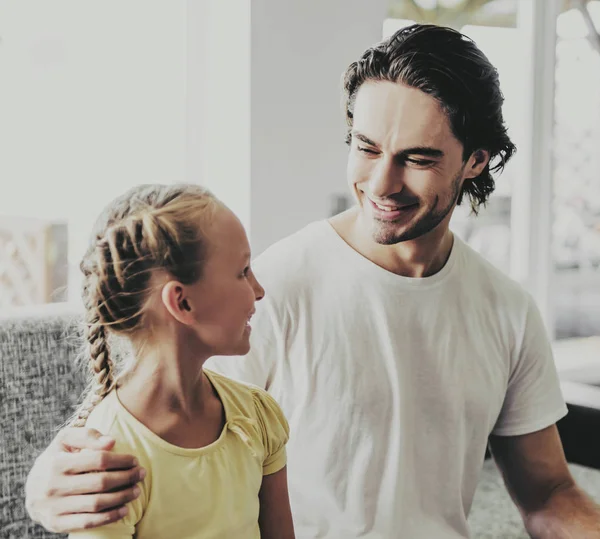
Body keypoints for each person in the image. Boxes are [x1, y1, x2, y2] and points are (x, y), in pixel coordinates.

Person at [26, 24, 600, 538]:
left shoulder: (507, 310)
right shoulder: (272, 288)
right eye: (366, 147)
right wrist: (44, 489)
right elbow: (149, 417)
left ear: (475, 160)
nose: (381, 181)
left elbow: (549, 493)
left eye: (418, 159)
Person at [46, 184, 295, 538]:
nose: (258, 290)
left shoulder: (258, 415)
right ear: (182, 303)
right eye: (242, 271)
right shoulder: (109, 459)